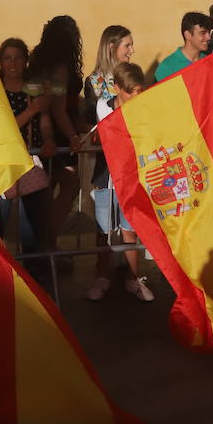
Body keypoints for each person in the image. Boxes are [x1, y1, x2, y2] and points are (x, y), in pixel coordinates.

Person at [88, 62, 153, 303]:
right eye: (130, 92)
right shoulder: (102, 107)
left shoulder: (144, 108)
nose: (136, 96)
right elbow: (102, 137)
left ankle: (133, 279)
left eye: (139, 91)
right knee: (103, 229)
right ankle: (102, 277)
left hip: (132, 176)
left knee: (130, 229)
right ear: (117, 88)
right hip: (106, 175)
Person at [0, 38, 54, 269]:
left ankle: (34, 280)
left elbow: (44, 120)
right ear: (0, 61)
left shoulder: (33, 87)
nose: (12, 63)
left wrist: (48, 138)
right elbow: (1, 129)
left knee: (32, 229)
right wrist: (32, 109)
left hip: (30, 162)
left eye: (17, 58)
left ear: (25, 61)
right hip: (1, 166)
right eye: (7, 58)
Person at [28, 15, 85, 244]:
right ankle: (47, 241)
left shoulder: (39, 63)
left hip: (41, 130)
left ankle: (45, 244)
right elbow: (60, 109)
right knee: (71, 184)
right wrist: (72, 135)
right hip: (59, 133)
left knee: (47, 192)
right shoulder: (61, 68)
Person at [154, 12, 213, 81]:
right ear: (187, 35)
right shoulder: (167, 67)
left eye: (209, 32)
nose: (209, 37)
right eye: (203, 33)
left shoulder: (209, 62)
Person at [85, 25, 134, 106]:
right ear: (112, 47)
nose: (132, 50)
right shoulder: (96, 81)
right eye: (127, 45)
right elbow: (93, 115)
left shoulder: (131, 76)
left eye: (132, 45)